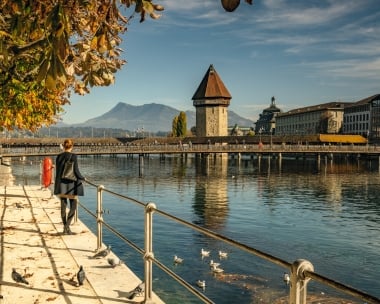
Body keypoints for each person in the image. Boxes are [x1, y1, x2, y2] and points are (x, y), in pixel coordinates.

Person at [54, 139, 85, 235]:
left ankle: (65, 228)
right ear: (72, 146)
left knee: (63, 207)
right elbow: (76, 171)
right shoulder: (73, 156)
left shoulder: (58, 157)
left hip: (61, 184)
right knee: (73, 206)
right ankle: (67, 227)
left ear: (63, 146)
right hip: (71, 184)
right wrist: (82, 177)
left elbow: (58, 171)